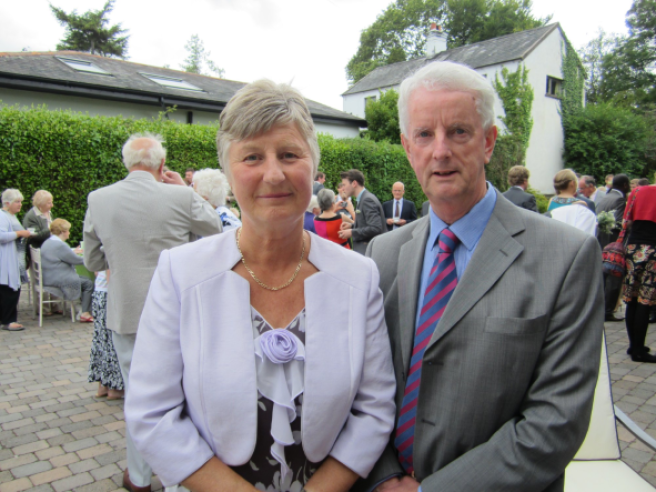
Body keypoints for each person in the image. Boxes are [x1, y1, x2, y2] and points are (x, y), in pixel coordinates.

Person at [125, 80, 396, 492]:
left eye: (289, 154)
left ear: (313, 166)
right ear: (229, 173)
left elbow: (374, 410)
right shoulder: (180, 274)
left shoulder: (359, 277)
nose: (274, 173)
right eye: (252, 156)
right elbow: (152, 413)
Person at [362, 61, 603, 492]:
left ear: (488, 141)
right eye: (424, 134)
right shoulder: (385, 252)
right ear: (407, 147)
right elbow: (361, 386)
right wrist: (382, 478)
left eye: (459, 131)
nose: (440, 151)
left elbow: (555, 421)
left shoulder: (566, 256)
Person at [83, 133, 221, 492]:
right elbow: (216, 228)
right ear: (162, 165)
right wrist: (187, 191)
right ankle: (181, 478)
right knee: (185, 393)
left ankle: (139, 477)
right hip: (178, 311)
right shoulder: (179, 195)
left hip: (126, 310)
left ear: (126, 163)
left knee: (138, 397)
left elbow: (92, 259)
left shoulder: (98, 199)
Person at [623, 184, 656, 362]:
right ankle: (639, 351)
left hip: (633, 247)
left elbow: (625, 221)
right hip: (653, 250)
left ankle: (633, 345)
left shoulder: (637, 191)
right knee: (645, 300)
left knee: (632, 298)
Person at [40, 219, 94, 322]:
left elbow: (63, 255)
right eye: (68, 230)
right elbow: (77, 260)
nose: (69, 233)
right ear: (62, 232)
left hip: (49, 277)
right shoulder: (60, 245)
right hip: (60, 279)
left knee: (84, 280)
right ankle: (85, 312)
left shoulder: (48, 242)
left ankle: (80, 309)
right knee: (88, 283)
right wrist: (92, 257)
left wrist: (72, 252)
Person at [597, 174, 631, 322]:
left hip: (601, 241)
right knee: (613, 276)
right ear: (624, 185)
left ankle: (602, 308)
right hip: (613, 242)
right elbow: (618, 223)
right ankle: (608, 311)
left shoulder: (604, 197)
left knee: (604, 276)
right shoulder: (619, 200)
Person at [88, 270, 124, 400]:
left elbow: (95, 266)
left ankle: (103, 384)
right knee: (115, 340)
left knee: (102, 340)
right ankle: (115, 387)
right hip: (110, 292)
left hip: (100, 291)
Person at [0, 189, 32, 331]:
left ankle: (10, 319)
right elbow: (1, 236)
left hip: (14, 258)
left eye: (21, 201)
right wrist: (19, 233)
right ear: (7, 203)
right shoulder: (2, 216)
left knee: (13, 289)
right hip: (6, 258)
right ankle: (8, 320)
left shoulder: (11, 216)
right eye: (17, 202)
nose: (20, 205)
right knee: (9, 290)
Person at [338, 170, 386, 254]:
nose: (343, 188)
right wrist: (352, 226)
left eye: (344, 185)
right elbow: (367, 224)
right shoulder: (363, 198)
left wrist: (352, 232)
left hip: (370, 252)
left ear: (354, 184)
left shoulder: (367, 200)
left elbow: (376, 228)